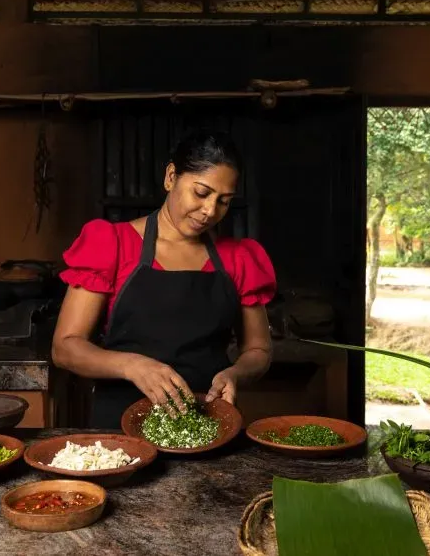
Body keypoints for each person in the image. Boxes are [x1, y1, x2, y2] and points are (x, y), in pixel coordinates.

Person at [51, 130, 277, 429]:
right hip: (119, 425)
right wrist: (131, 365)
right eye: (201, 193)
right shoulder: (112, 244)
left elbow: (258, 350)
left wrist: (236, 373)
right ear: (171, 177)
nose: (210, 211)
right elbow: (65, 348)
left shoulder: (239, 258)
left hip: (207, 422)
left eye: (224, 201)